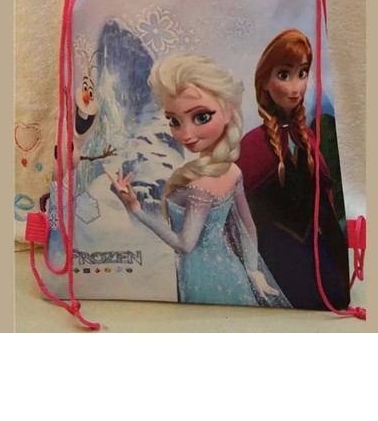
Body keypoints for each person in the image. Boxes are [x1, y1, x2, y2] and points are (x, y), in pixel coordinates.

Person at [105, 53, 291, 308]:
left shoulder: (200, 187)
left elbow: (185, 244)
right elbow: (248, 226)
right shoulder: (232, 171)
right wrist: (252, 270)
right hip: (230, 269)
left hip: (203, 276)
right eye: (174, 121)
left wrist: (136, 209)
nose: (186, 134)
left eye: (201, 117)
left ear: (228, 111)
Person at [236, 29, 350, 310]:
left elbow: (325, 208)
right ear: (265, 82)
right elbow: (239, 215)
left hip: (315, 255)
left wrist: (338, 256)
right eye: (284, 75)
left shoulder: (307, 139)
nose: (295, 87)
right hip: (273, 259)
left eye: (303, 73)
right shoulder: (252, 144)